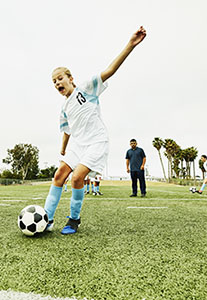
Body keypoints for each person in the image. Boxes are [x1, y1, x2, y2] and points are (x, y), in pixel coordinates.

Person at [43, 26, 147, 235]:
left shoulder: (86, 87)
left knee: (77, 178)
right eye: (54, 82)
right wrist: (63, 150)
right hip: (77, 145)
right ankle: (46, 219)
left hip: (96, 141)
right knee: (58, 176)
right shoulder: (63, 108)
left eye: (60, 78)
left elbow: (110, 70)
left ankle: (73, 219)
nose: (57, 83)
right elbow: (67, 131)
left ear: (70, 78)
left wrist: (130, 45)